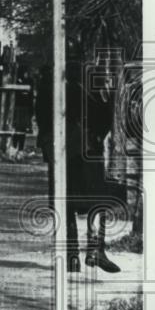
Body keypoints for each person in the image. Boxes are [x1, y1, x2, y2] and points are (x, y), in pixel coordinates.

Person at [35, 63, 121, 273]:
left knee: (68, 201)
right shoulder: (87, 80)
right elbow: (103, 114)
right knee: (94, 199)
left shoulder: (50, 81)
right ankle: (91, 250)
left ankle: (74, 255)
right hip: (84, 148)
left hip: (65, 149)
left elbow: (41, 117)